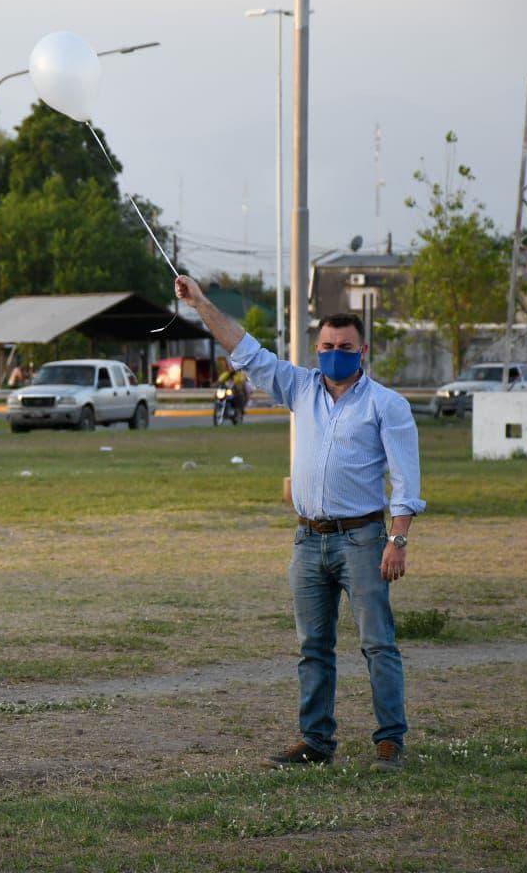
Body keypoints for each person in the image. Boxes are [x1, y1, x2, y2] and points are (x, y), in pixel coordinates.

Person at [175, 275, 425, 772]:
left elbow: (405, 480)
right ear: (317, 349)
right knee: (313, 646)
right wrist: (200, 302)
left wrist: (397, 540)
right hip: (309, 539)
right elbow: (244, 350)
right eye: (327, 346)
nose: (335, 353)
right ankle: (316, 741)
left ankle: (389, 742)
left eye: (345, 346)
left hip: (362, 539)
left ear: (363, 349)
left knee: (377, 643)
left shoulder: (387, 405)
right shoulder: (301, 388)